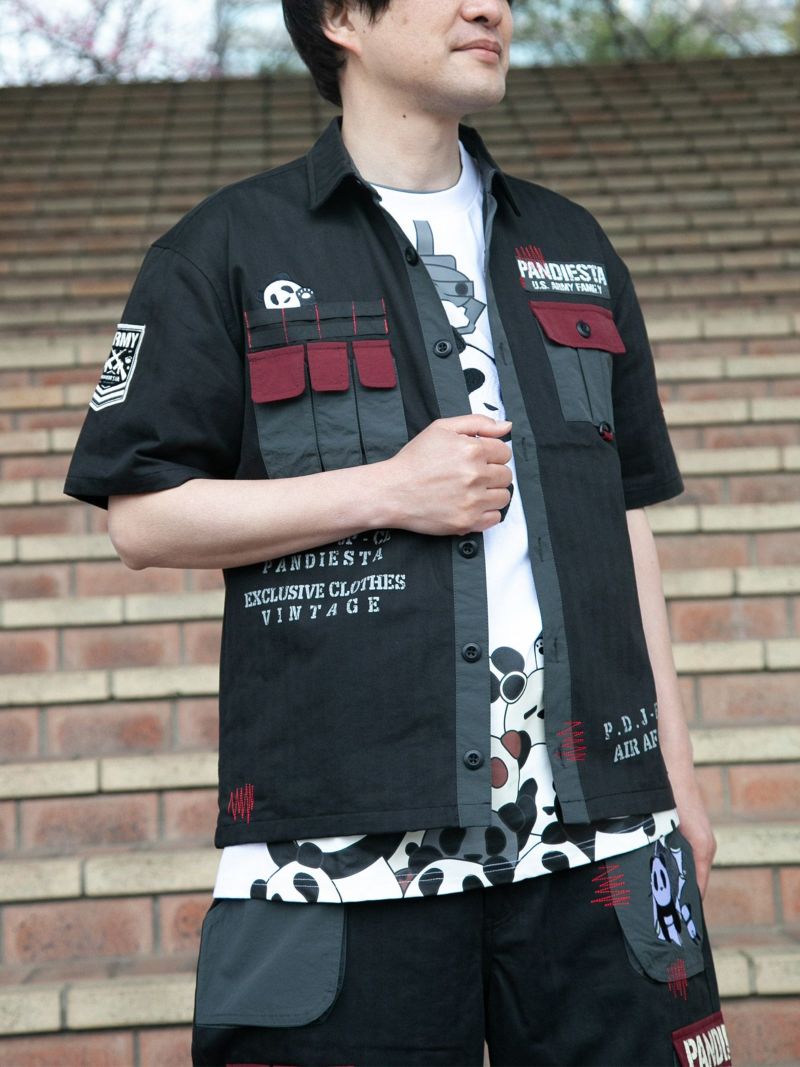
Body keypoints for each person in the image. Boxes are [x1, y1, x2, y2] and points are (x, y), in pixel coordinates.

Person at [64, 1, 732, 1064]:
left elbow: (622, 523)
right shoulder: (225, 248)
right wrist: (386, 489)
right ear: (342, 18)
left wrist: (678, 782)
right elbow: (141, 517)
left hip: (604, 841)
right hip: (339, 854)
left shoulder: (572, 245)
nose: (489, 7)